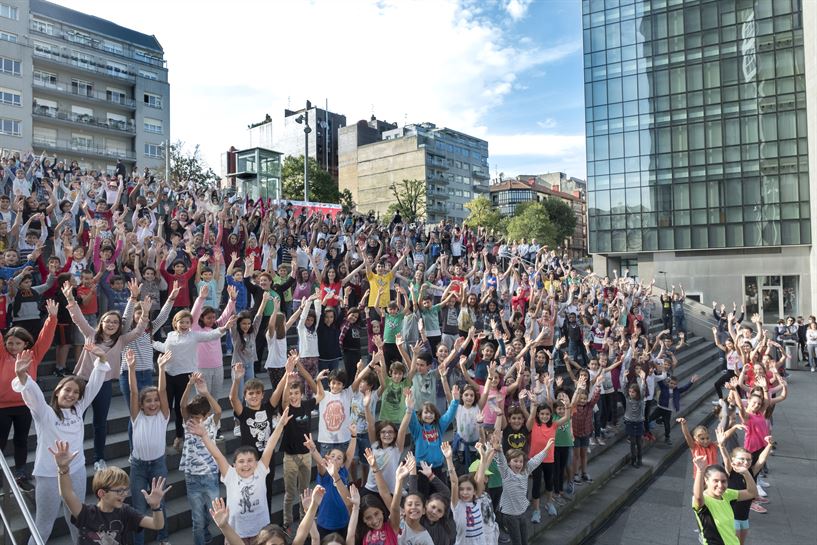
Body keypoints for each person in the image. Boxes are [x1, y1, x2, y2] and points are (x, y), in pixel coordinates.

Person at [13, 343, 109, 544]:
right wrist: (22, 376)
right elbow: (33, 395)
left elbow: (94, 384)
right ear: (57, 391)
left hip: (76, 470)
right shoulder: (44, 413)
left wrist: (101, 360)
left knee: (77, 519)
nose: (72, 395)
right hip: (48, 474)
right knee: (43, 525)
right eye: (68, 390)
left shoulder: (78, 408)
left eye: (76, 393)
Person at [49, 440, 170, 542]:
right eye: (119, 491)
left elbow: (157, 524)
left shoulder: (125, 512)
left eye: (125, 490)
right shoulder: (86, 513)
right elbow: (67, 494)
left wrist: (156, 507)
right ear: (102, 493)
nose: (125, 494)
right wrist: (63, 469)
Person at [691, 455, 757, 545]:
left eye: (723, 481)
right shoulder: (703, 501)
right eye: (715, 481)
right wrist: (700, 471)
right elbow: (698, 497)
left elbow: (752, 493)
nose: (720, 485)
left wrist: (745, 472)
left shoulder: (727, 494)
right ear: (706, 480)